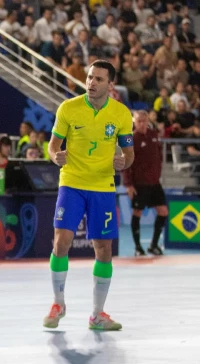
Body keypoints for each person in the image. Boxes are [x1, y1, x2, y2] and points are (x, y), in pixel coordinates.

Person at [44, 60, 134, 331]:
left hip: (103, 186)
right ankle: (58, 303)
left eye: (98, 79)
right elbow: (52, 146)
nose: (92, 83)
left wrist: (124, 162)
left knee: (103, 249)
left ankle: (97, 315)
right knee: (62, 241)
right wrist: (55, 157)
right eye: (90, 78)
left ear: (110, 84)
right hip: (71, 182)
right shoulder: (68, 108)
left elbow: (129, 154)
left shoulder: (121, 114)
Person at [122, 111, 168, 256]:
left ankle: (153, 245)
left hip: (154, 183)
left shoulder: (153, 135)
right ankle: (138, 247)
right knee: (138, 212)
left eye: (144, 121)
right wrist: (129, 185)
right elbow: (126, 162)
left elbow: (159, 155)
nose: (142, 124)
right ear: (134, 122)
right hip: (139, 184)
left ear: (147, 120)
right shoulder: (131, 138)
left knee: (163, 211)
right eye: (139, 121)